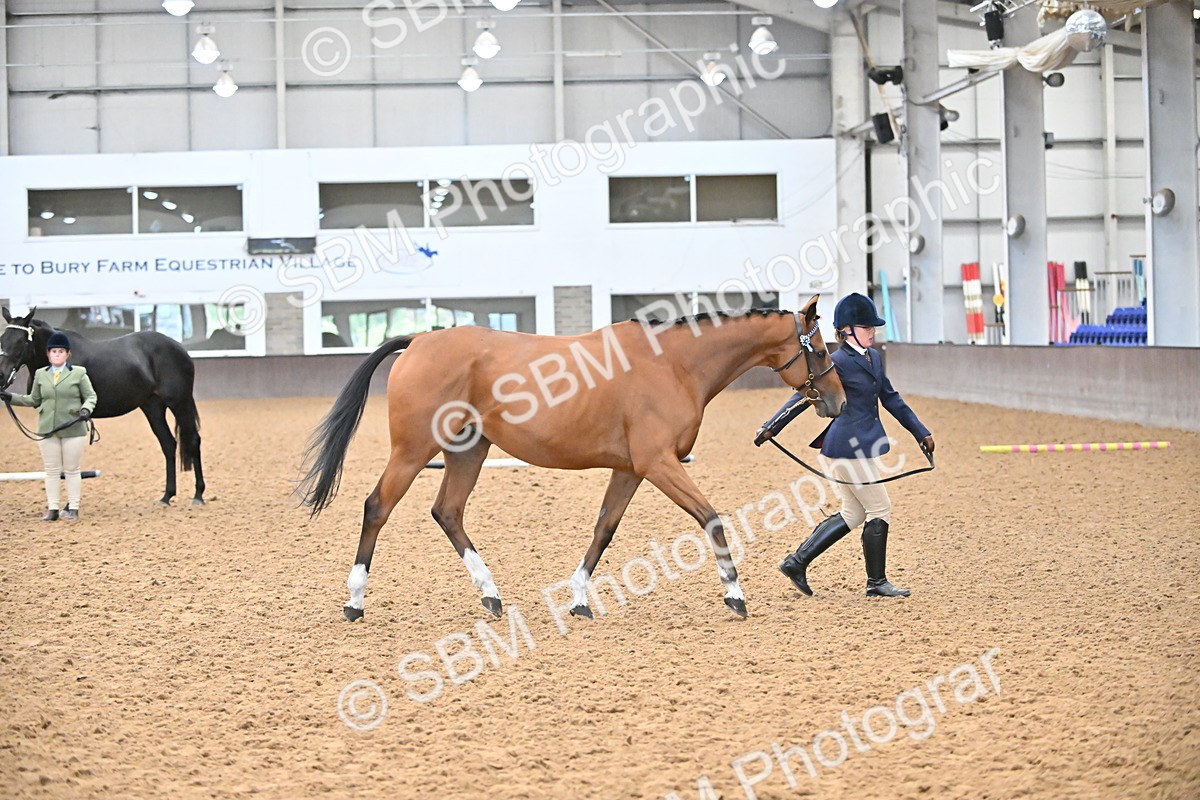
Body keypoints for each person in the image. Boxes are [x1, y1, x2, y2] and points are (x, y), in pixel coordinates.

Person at [760, 292, 934, 598]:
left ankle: (796, 562)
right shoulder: (837, 362)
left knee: (853, 513)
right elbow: (804, 394)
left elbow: (891, 399)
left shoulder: (874, 358)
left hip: (859, 446)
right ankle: (876, 582)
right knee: (880, 507)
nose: (873, 332)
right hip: (846, 448)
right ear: (848, 330)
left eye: (873, 328)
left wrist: (920, 432)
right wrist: (773, 425)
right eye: (867, 327)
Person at [0, 332, 97, 521]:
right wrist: (11, 397)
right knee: (51, 470)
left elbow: (91, 396)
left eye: (61, 351)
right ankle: (53, 509)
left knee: (72, 469)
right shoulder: (40, 375)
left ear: (67, 354)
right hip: (47, 428)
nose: (57, 354)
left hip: (72, 427)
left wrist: (86, 409)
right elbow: (33, 400)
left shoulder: (79, 373)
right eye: (54, 352)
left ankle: (73, 508)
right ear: (48, 354)